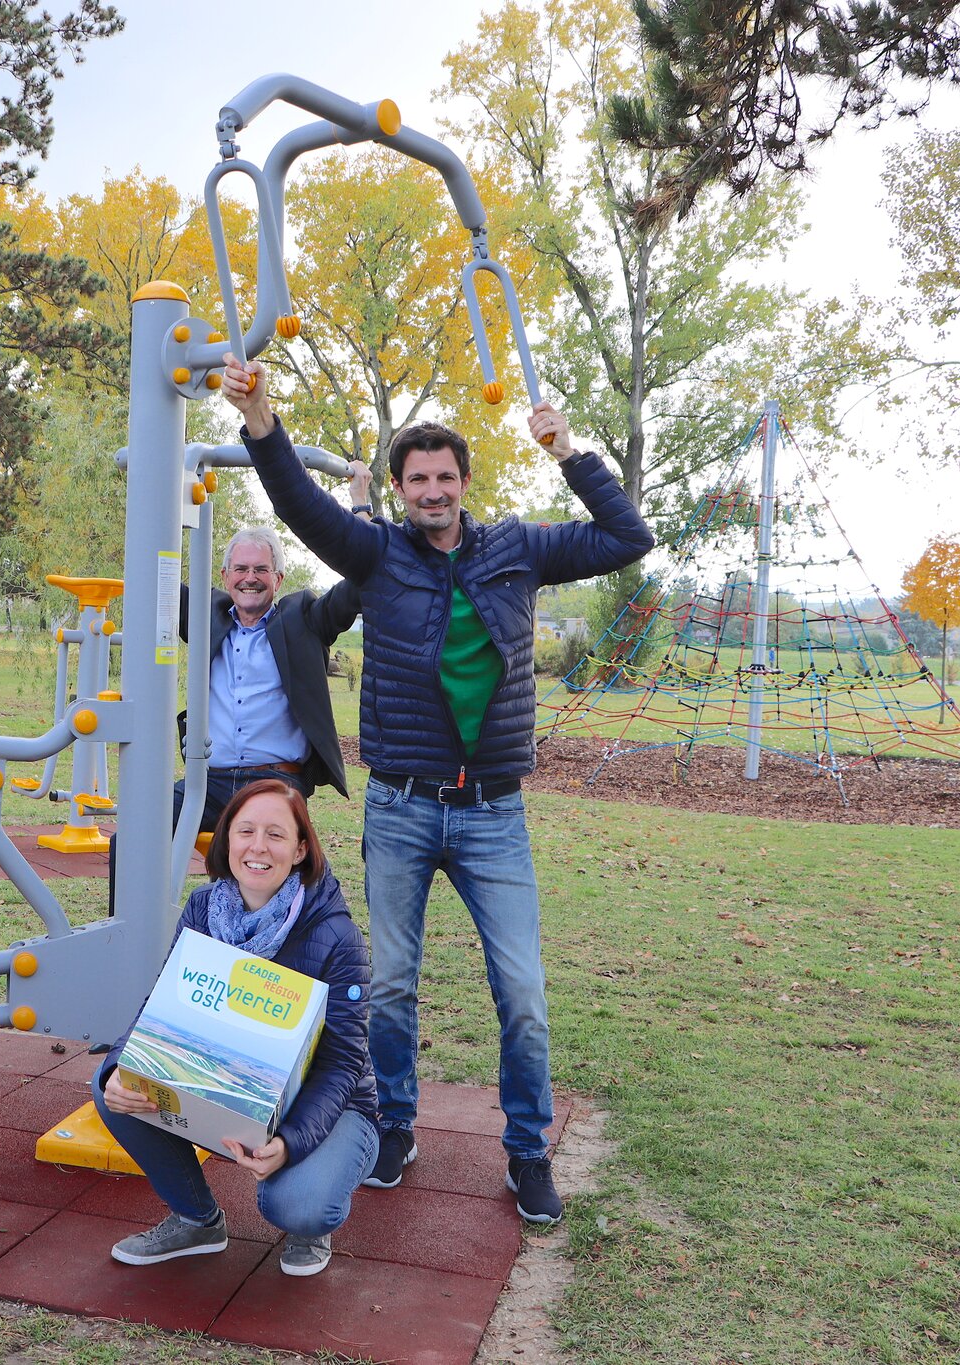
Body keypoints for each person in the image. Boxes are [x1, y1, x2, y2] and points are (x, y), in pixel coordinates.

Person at [221, 354, 655, 1224]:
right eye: (416, 478)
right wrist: (262, 417)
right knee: (389, 984)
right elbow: (298, 506)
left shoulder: (518, 549)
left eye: (445, 476)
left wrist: (570, 450)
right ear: (397, 487)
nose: (432, 490)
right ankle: (395, 1126)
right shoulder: (377, 554)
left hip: (494, 810)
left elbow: (626, 537)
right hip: (403, 804)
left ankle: (527, 1152)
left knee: (523, 992)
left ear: (465, 481)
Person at [95, 779, 378, 1277]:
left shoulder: (337, 935)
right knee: (114, 1089)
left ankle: (310, 1223)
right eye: (245, 831)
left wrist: (291, 1140)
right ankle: (197, 1220)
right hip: (227, 1082)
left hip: (326, 1106)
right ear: (226, 841)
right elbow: (164, 1000)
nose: (258, 847)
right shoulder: (205, 909)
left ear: (300, 849)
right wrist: (122, 1064)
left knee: (296, 1205)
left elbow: (342, 1062)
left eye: (275, 834)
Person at [175, 525, 362, 832]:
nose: (250, 578)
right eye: (241, 569)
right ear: (225, 576)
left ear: (278, 579)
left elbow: (357, 584)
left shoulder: (303, 621)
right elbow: (158, 574)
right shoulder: (206, 617)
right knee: (131, 839)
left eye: (261, 569)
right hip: (210, 782)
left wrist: (359, 512)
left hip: (274, 781)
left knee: (262, 851)